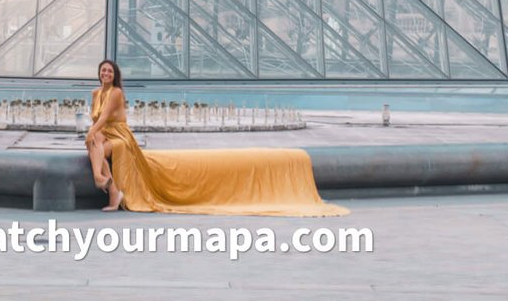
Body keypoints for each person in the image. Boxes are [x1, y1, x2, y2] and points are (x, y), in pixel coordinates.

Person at [84, 59, 347, 216]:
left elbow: (105, 118)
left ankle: (102, 181)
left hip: (120, 136)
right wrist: (93, 133)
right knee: (94, 142)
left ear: (114, 74)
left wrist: (92, 133)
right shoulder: (96, 93)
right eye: (102, 71)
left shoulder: (116, 93)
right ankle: (108, 185)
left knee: (93, 142)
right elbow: (97, 121)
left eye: (109, 71)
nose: (105, 74)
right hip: (105, 134)